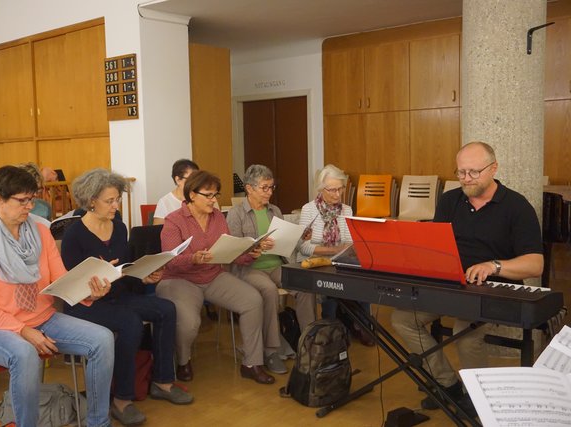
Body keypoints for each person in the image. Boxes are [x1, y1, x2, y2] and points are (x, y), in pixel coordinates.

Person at [390, 141, 544, 413]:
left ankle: (478, 396)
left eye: (473, 172)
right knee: (403, 318)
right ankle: (447, 383)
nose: (465, 179)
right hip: (452, 283)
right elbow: (436, 247)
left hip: (494, 288)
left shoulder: (517, 207)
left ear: (493, 168)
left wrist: (494, 266)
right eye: (461, 172)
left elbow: (535, 265)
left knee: (465, 332)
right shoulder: (450, 200)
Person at [0, 166, 115, 427]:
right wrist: (22, 330)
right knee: (24, 354)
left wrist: (92, 293)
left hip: (42, 319)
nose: (29, 207)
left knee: (102, 338)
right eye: (22, 200)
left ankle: (98, 422)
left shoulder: (41, 233)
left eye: (32, 199)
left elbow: (60, 282)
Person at [61, 168, 193, 426]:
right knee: (130, 322)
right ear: (91, 201)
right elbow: (71, 287)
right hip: (86, 304)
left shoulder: (119, 228)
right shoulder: (73, 236)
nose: (116, 205)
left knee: (166, 309)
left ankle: (163, 382)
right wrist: (96, 287)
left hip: (118, 296)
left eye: (117, 199)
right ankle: (122, 400)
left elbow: (125, 269)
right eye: (110, 200)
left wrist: (143, 277)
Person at [156, 170, 275, 384]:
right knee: (191, 322)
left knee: (253, 300)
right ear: (192, 195)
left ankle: (252, 363)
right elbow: (170, 260)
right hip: (179, 279)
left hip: (212, 275)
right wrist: (193, 259)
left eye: (215, 195)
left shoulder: (218, 217)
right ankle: (183, 360)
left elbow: (227, 253)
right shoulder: (173, 221)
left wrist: (248, 254)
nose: (213, 200)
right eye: (208, 195)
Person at [226, 164, 316, 373]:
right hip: (249, 268)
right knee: (267, 290)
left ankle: (309, 343)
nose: (269, 192)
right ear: (249, 188)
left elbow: (284, 241)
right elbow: (233, 249)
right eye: (264, 188)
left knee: (304, 285)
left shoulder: (274, 210)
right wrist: (255, 246)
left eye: (271, 187)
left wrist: (300, 236)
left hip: (276, 264)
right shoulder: (236, 214)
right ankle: (271, 351)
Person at [297, 164, 374, 346]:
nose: (337, 194)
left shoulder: (346, 210)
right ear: (321, 189)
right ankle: (330, 329)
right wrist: (334, 250)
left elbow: (349, 243)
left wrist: (341, 250)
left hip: (339, 261)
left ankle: (361, 324)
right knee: (331, 284)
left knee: (363, 279)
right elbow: (303, 247)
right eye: (332, 190)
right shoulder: (309, 209)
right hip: (314, 262)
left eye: (340, 189)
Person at [153, 159, 199, 225]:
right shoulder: (165, 202)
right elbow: (157, 231)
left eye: (197, 179)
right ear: (178, 180)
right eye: (191, 179)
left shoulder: (202, 197)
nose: (195, 183)